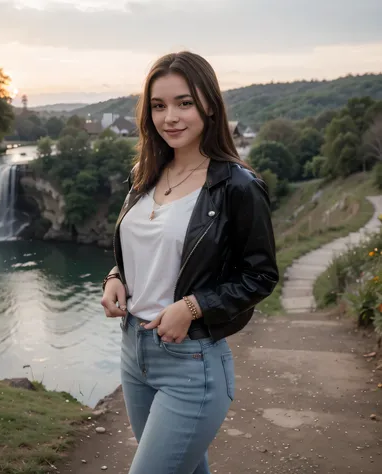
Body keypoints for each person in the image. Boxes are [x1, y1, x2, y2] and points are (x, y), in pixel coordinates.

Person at [100, 51, 279, 474]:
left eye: (184, 103)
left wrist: (194, 306)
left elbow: (261, 275)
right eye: (159, 106)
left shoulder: (237, 186)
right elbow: (143, 249)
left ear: (209, 105)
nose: (171, 118)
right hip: (134, 352)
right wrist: (115, 276)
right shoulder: (146, 172)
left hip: (192, 362)